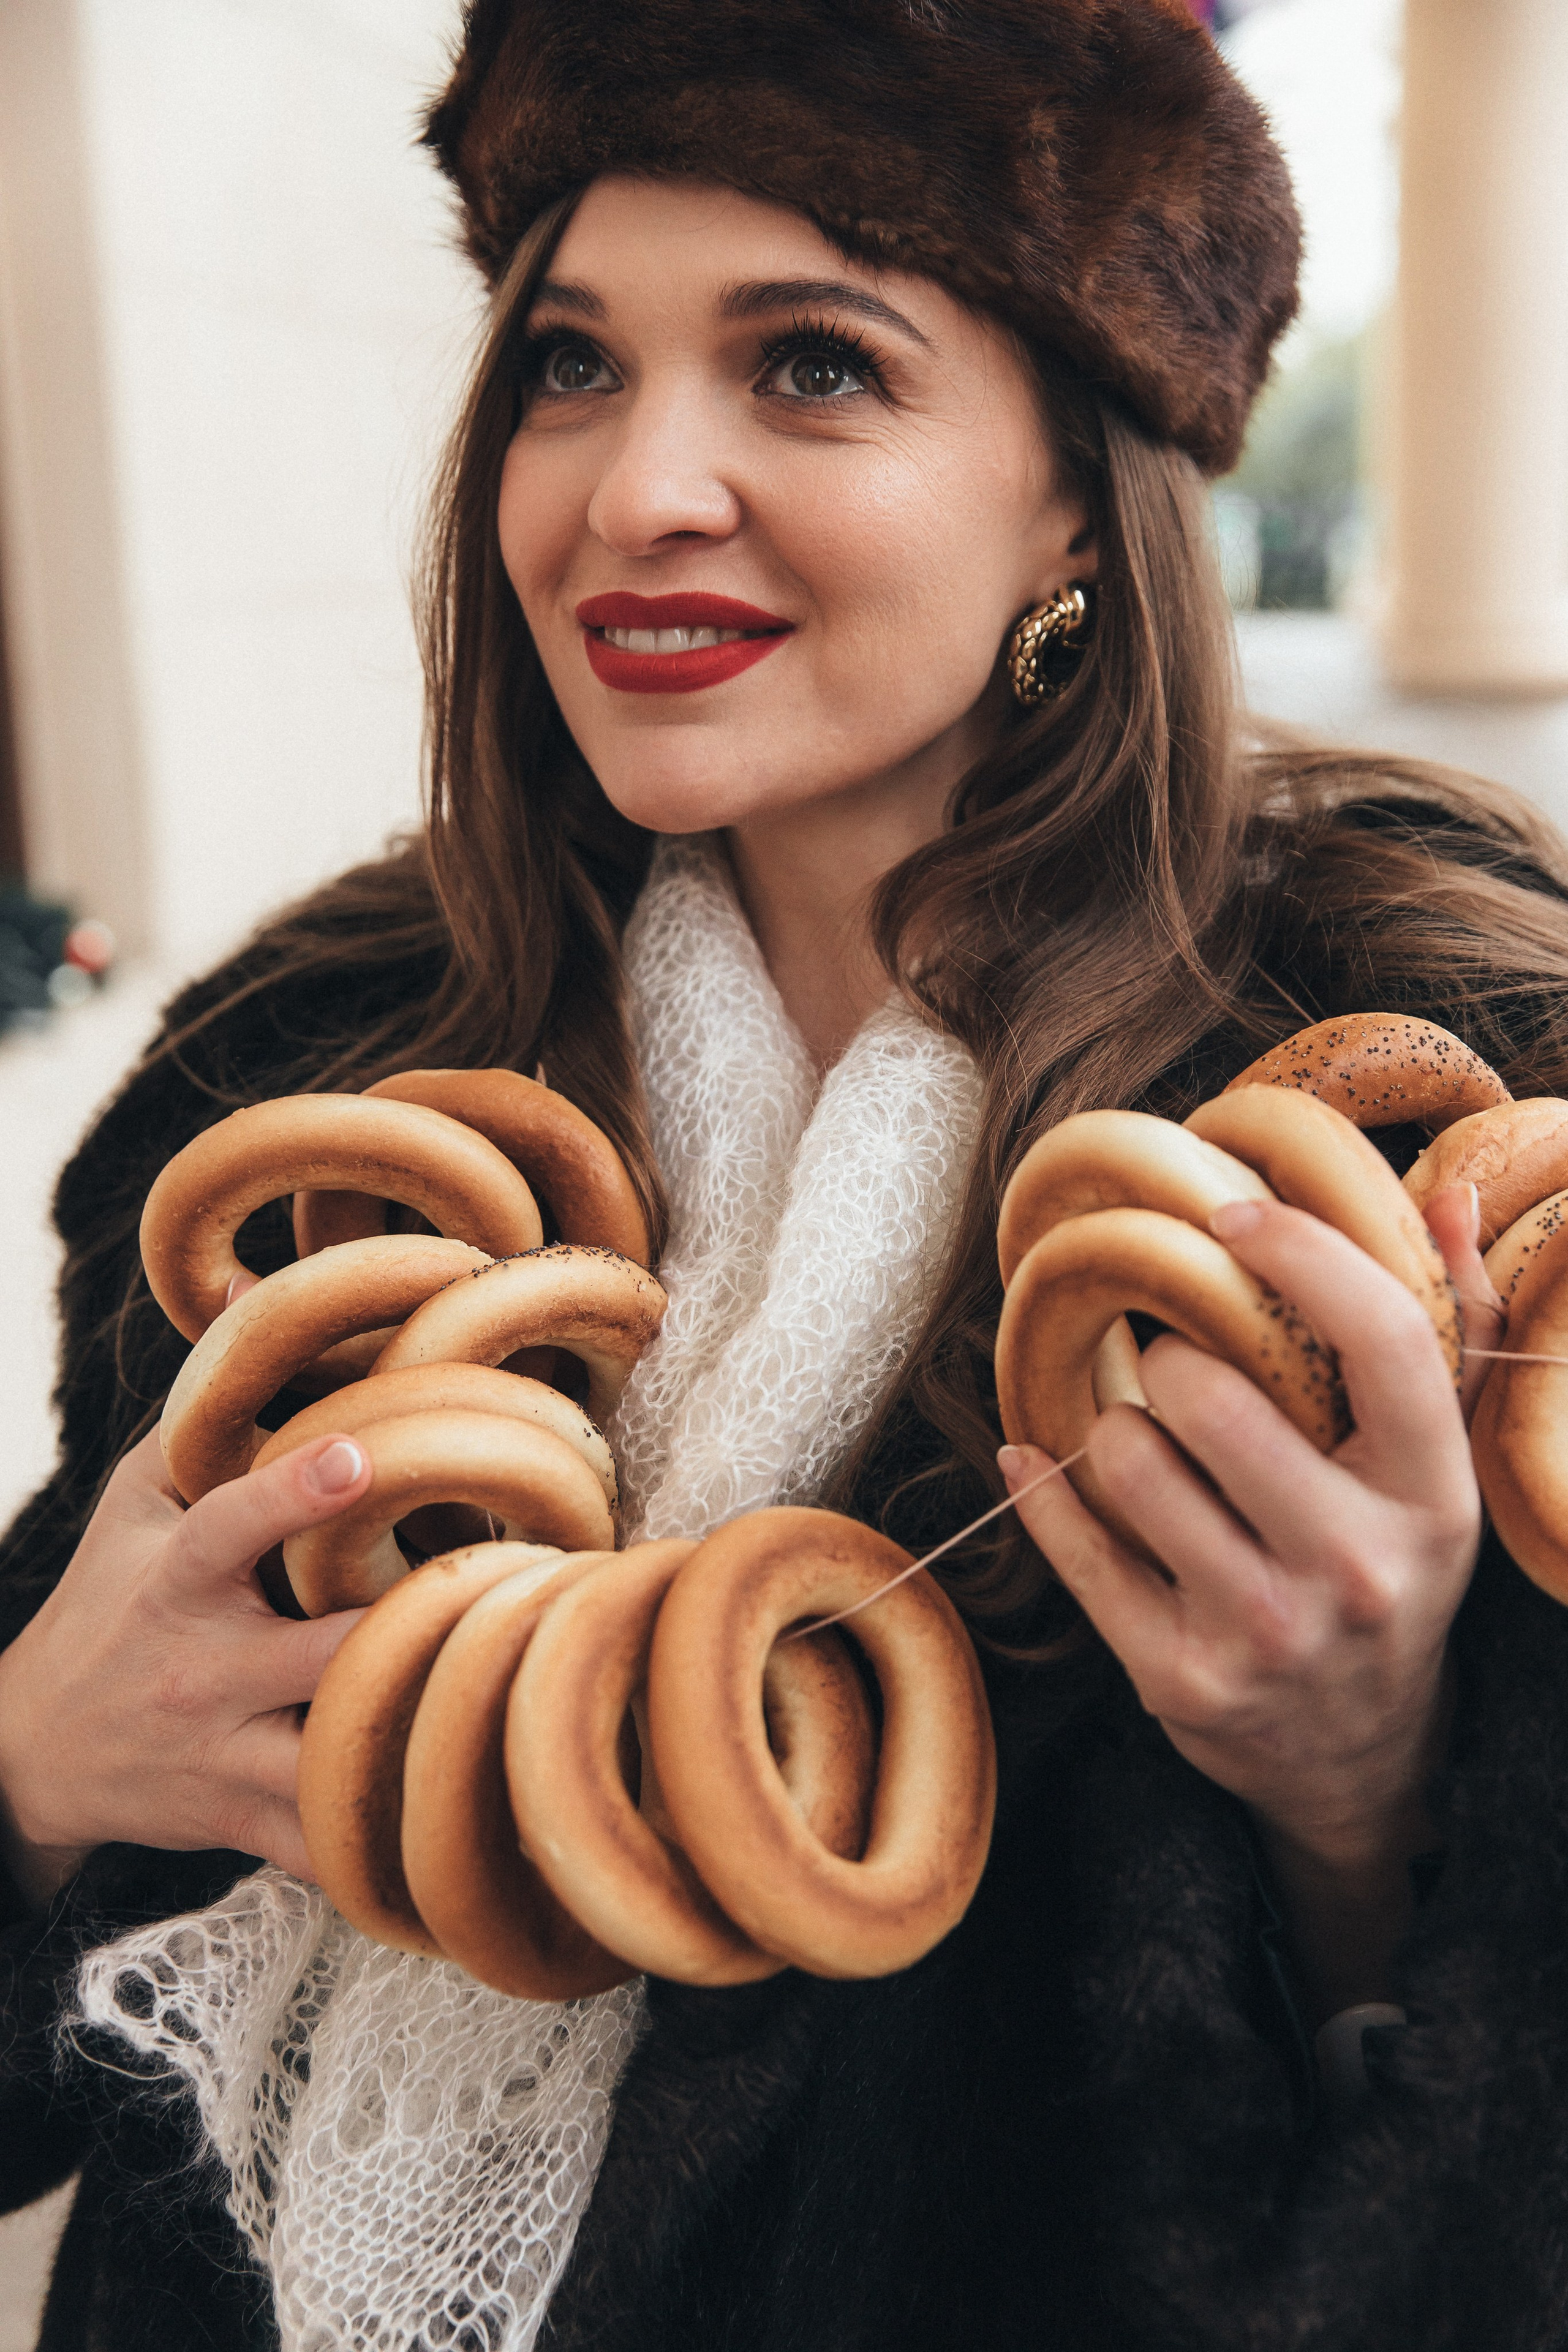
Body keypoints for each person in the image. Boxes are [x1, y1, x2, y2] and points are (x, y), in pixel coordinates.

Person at [2, 2, 1568, 2345]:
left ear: (1079, 486)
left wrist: (1361, 1796)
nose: (637, 488)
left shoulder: (1422, 1130)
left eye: (814, 365)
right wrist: (32, 1771)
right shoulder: (311, 1084)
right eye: (569, 363)